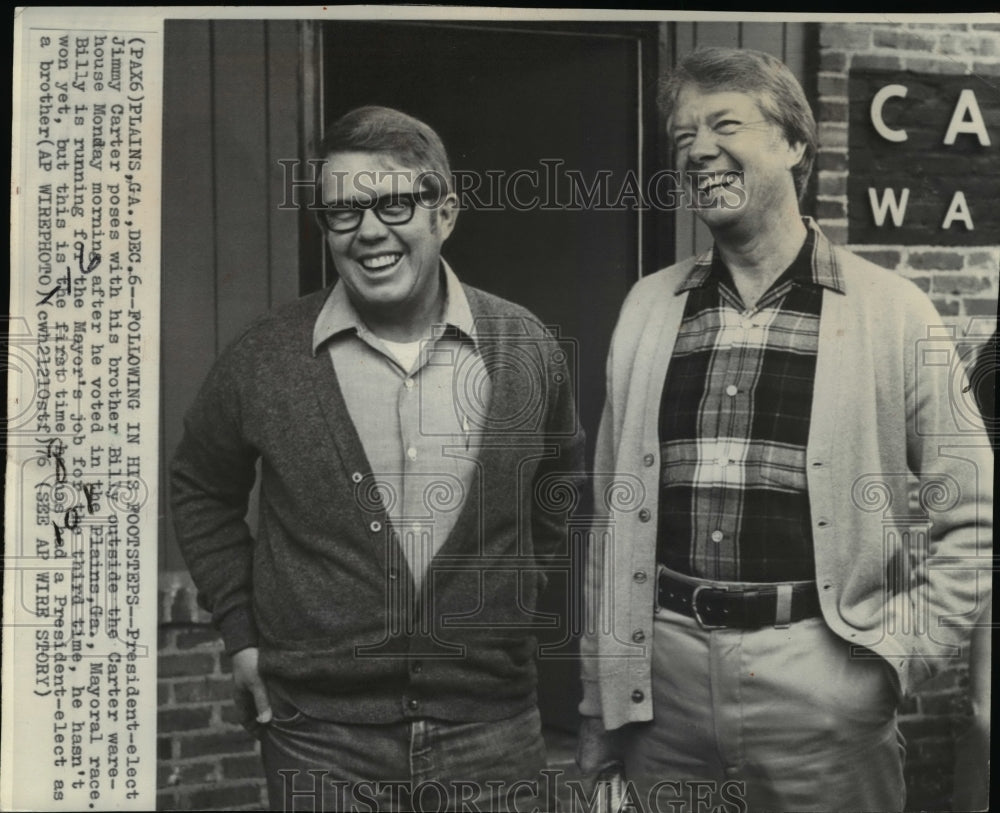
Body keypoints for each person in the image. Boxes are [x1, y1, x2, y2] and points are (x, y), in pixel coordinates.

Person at [576, 48, 993, 813]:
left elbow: (974, 514)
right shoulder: (647, 308)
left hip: (826, 692)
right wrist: (600, 701)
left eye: (724, 124)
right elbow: (611, 520)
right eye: (681, 138)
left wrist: (898, 658)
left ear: (796, 143)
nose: (698, 149)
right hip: (661, 692)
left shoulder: (893, 310)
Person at [171, 106, 585, 812]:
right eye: (342, 212)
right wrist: (241, 630)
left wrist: (509, 597)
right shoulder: (264, 358)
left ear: (445, 213)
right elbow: (199, 489)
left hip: (491, 732)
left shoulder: (525, 347)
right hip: (320, 739)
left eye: (393, 202)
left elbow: (563, 486)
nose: (368, 231)